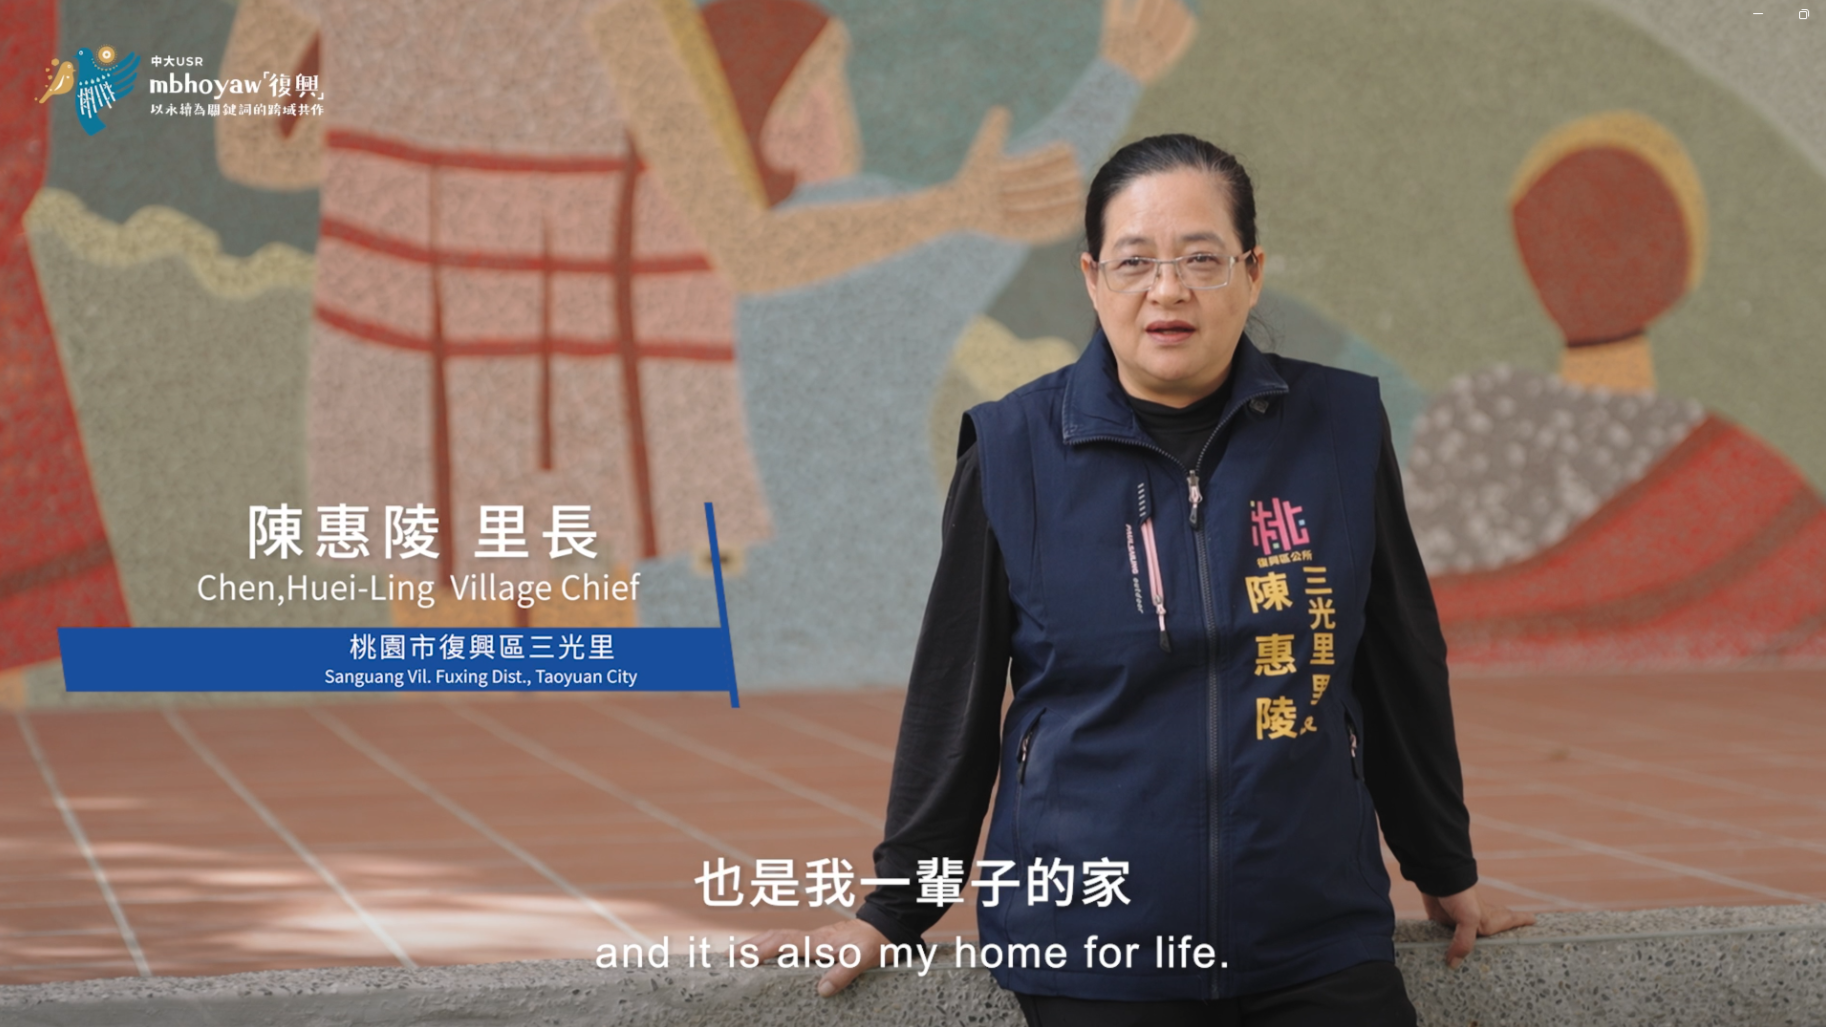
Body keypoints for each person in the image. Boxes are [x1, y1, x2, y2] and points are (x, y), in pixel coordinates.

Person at [748, 134, 1533, 1024]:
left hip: (1311, 931)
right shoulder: (1013, 449)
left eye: (1201, 258)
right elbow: (951, 699)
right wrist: (893, 910)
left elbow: (1398, 661)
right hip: (1093, 946)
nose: (1168, 289)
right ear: (1092, 280)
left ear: (1252, 272)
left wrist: (1442, 862)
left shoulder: (1340, 427)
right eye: (1134, 262)